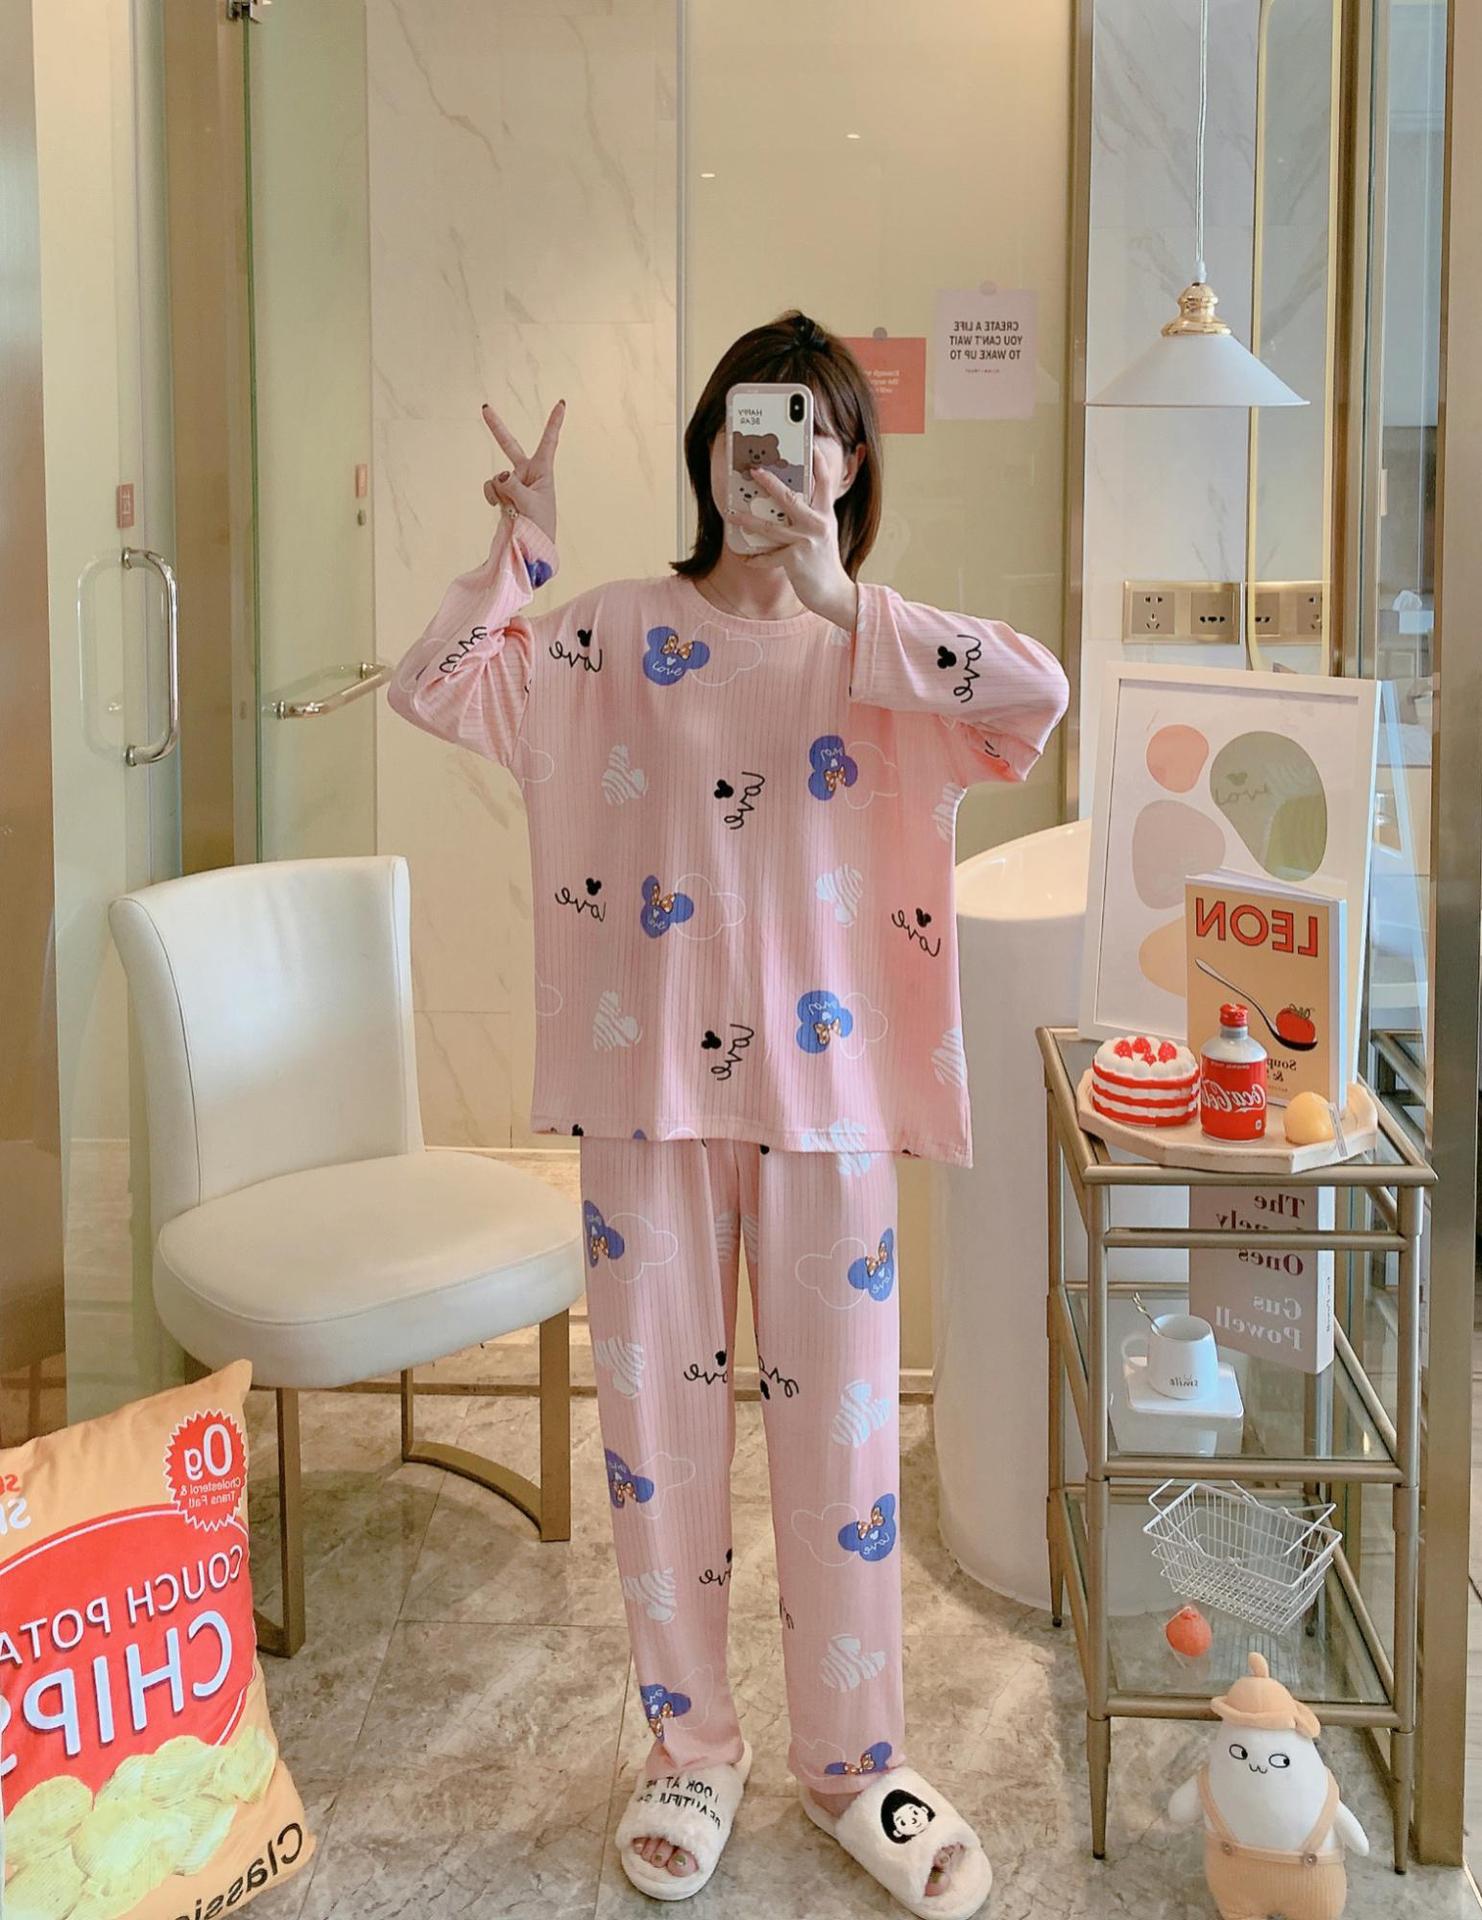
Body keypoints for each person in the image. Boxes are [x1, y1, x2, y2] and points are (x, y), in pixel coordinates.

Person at [387, 309, 1069, 1917]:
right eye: (747, 429)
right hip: (649, 1105)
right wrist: (519, 555)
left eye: (809, 432)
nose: (771, 458)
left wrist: (845, 600)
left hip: (831, 1107)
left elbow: (1034, 699)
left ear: (849, 465)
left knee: (842, 1454)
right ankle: (688, 1749)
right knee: (658, 1453)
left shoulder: (883, 650)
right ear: (707, 454)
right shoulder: (610, 637)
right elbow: (433, 686)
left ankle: (853, 1763)